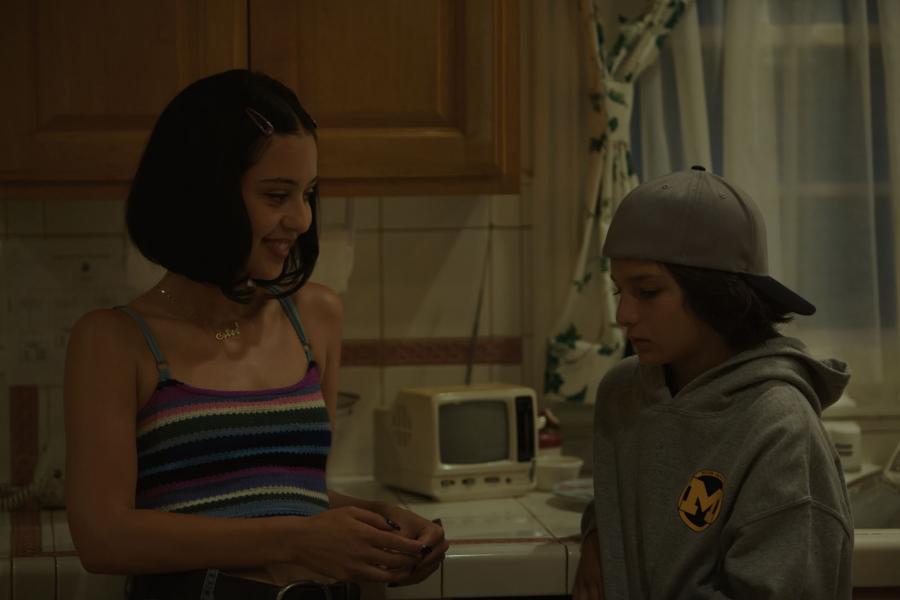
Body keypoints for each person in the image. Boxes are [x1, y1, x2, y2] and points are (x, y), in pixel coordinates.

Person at [63, 69, 448, 600]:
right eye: (276, 195)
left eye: (308, 194)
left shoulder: (315, 316)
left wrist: (378, 523)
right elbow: (103, 538)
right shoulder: (113, 341)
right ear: (203, 194)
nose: (302, 219)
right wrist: (296, 540)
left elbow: (292, 494)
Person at [572, 166, 853, 599]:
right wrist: (598, 532)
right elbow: (634, 504)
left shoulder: (780, 427)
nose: (623, 315)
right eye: (618, 291)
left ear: (715, 294)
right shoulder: (622, 391)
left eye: (647, 291)